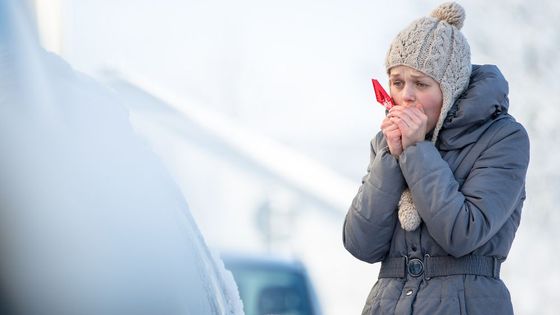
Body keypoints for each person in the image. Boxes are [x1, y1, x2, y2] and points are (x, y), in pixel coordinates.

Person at [342, 2, 529, 314]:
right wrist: (391, 156)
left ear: (451, 88)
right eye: (398, 82)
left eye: (422, 84)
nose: (406, 96)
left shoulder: (503, 138)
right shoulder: (384, 144)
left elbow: (462, 233)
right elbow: (361, 243)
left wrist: (417, 152)